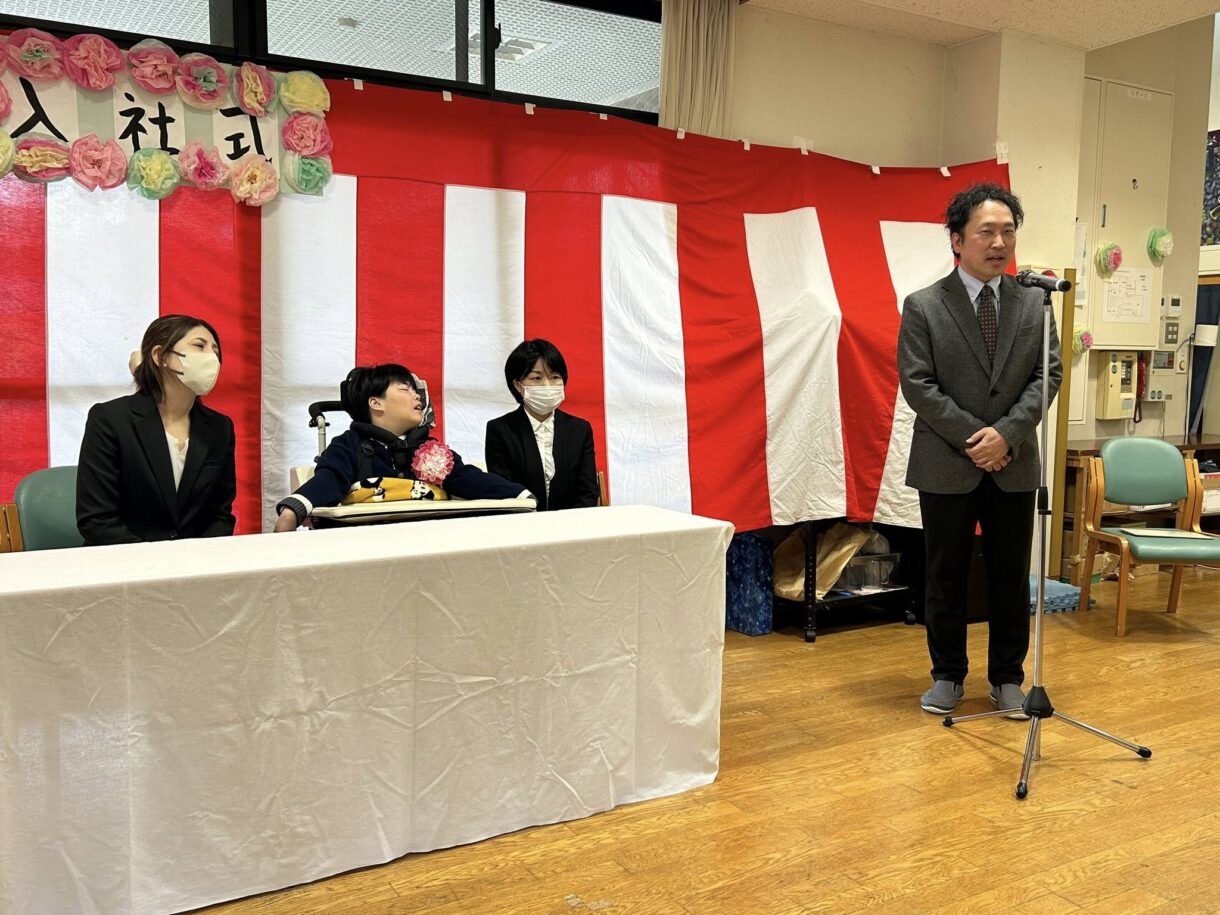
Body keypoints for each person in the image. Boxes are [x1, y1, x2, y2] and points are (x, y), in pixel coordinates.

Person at [897, 182, 1062, 718]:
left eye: (1008, 232)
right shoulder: (924, 305)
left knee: (1010, 576)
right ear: (957, 239)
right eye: (986, 232)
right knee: (945, 574)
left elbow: (1048, 374)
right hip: (947, 461)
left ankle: (1008, 678)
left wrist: (1006, 434)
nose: (999, 243)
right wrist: (978, 439)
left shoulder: (1035, 302)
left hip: (1014, 462)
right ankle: (947, 675)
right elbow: (918, 384)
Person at [274, 363, 529, 530]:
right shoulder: (349, 444)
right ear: (376, 403)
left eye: (416, 391)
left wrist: (522, 496)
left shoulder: (430, 449)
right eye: (405, 389)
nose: (417, 396)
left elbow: (468, 479)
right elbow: (330, 479)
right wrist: (293, 510)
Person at [76, 314, 236, 545]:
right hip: (123, 560)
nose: (211, 357)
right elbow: (97, 520)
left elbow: (220, 514)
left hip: (196, 561)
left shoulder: (220, 427)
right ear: (160, 356)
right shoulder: (111, 419)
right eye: (199, 346)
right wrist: (157, 560)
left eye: (215, 350)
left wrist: (196, 558)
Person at [485, 339, 600, 511]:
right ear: (517, 385)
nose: (547, 385)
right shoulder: (500, 430)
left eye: (555, 377)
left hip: (573, 523)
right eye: (536, 378)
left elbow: (588, 493)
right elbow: (505, 492)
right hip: (521, 523)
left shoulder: (580, 429)